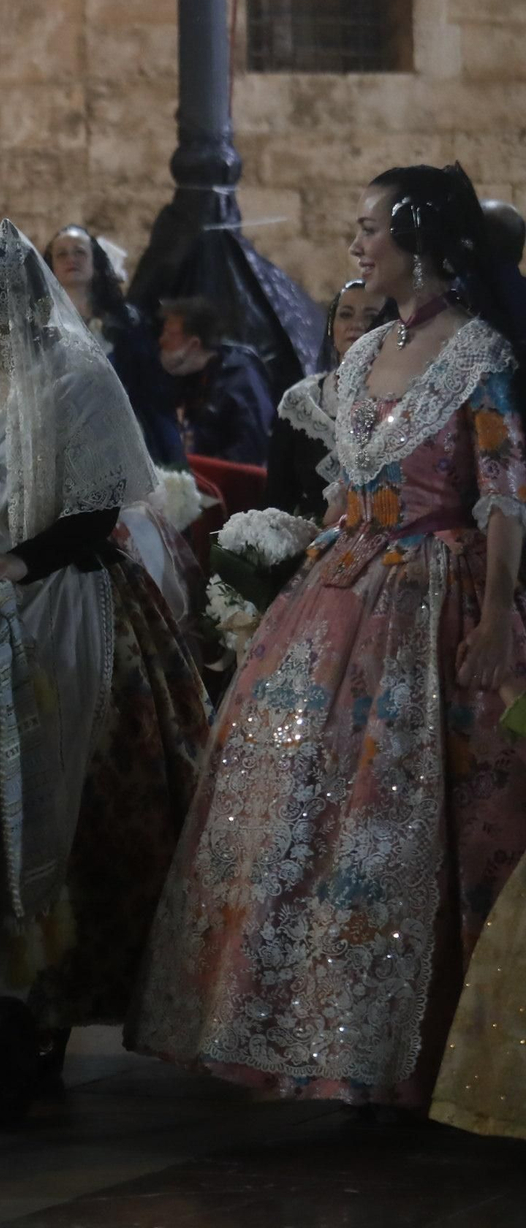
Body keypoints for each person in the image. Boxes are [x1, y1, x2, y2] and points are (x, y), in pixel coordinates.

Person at [128, 163, 526, 1117]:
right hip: (340, 590)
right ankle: (297, 1028)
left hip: (438, 596)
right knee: (292, 795)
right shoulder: (357, 356)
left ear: (419, 239)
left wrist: (502, 610)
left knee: (409, 812)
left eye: (370, 228)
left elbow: (506, 491)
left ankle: (417, 1048)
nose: (356, 245)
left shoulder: (478, 353)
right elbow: (342, 491)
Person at [0, 220, 208, 1044]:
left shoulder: (77, 379)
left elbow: (98, 506)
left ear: (4, 302)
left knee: (65, 788)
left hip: (65, 604)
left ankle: (53, 980)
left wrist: (20, 562)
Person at [44, 223, 183, 464]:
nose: (71, 259)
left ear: (95, 263)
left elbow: (148, 386)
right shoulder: (40, 325)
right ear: (52, 267)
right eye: (62, 254)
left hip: (121, 436)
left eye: (79, 252)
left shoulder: (125, 321)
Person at [264, 280, 386, 517]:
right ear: (331, 327)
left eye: (371, 316)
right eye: (345, 315)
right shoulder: (301, 402)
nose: (356, 325)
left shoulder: (403, 401)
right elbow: (277, 498)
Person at [158, 296, 278, 465]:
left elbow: (251, 449)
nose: (161, 340)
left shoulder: (241, 380)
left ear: (194, 344)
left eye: (169, 334)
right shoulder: (190, 374)